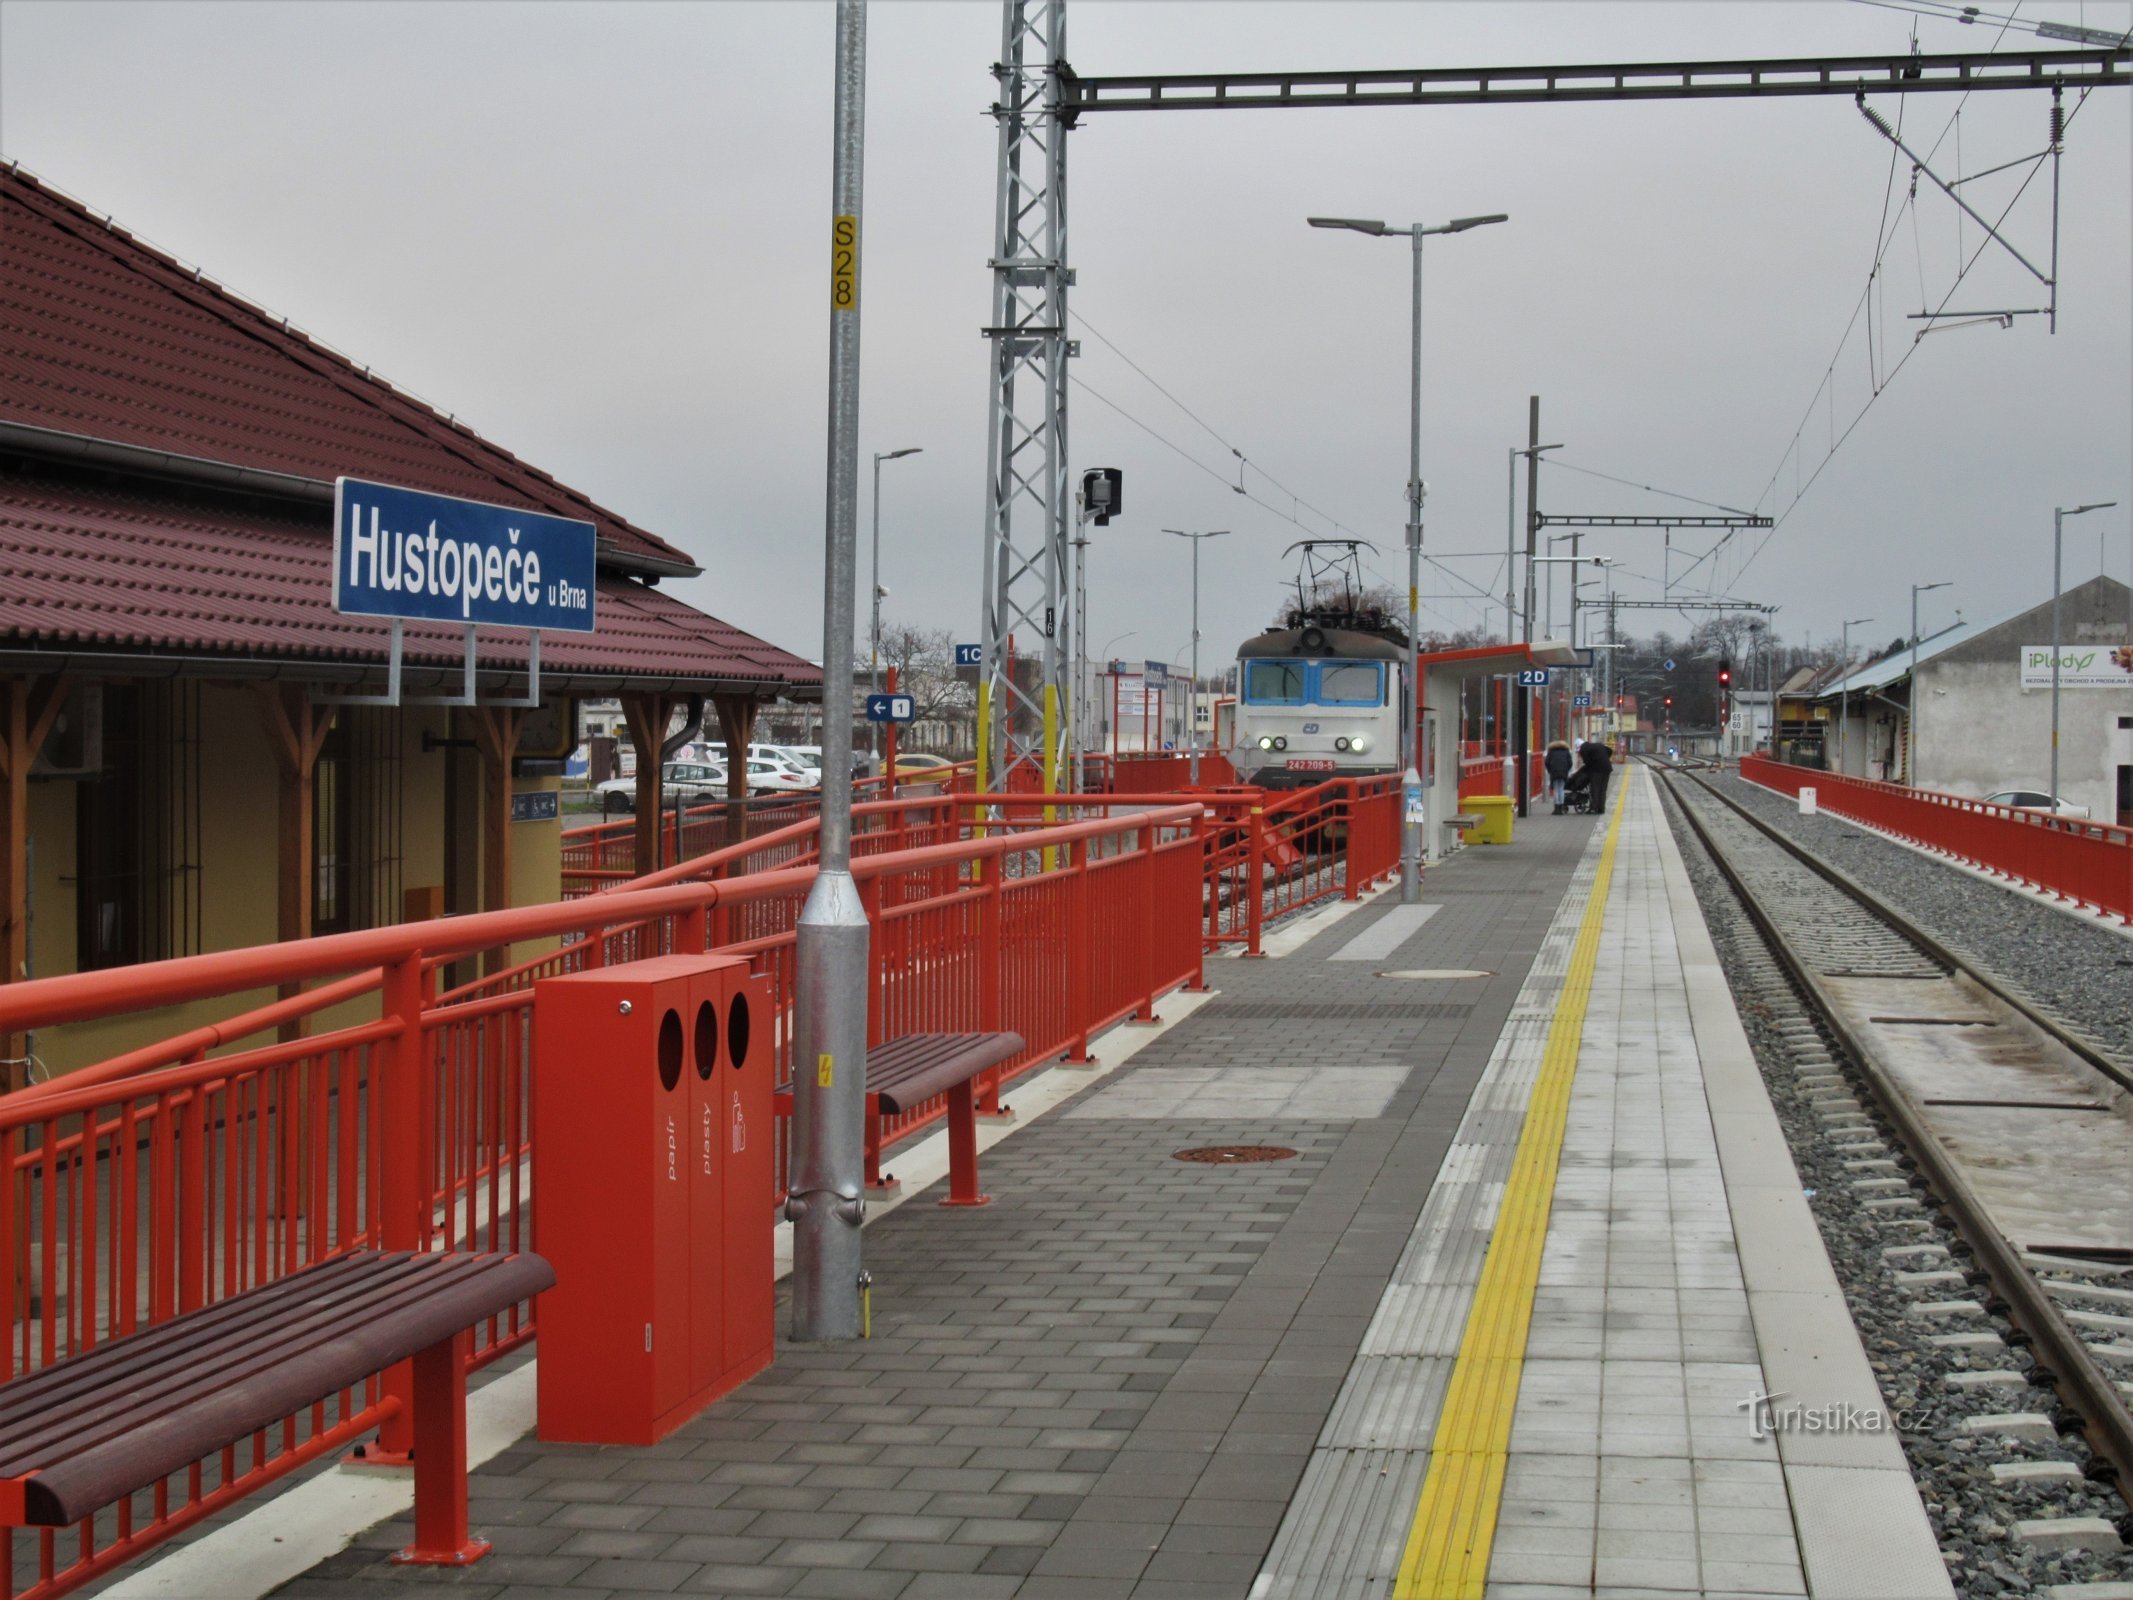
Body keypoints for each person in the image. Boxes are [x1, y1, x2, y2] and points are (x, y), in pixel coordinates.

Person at [1577, 736, 1615, 815]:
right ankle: (1601, 808)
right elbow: (1609, 750)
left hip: (1596, 771)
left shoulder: (1583, 749)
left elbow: (1587, 763)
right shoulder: (1597, 745)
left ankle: (1593, 808)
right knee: (1603, 789)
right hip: (1607, 768)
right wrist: (1604, 759)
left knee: (1595, 789)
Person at [1544, 740, 1574, 813]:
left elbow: (1547, 762)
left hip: (1554, 772)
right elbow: (1570, 763)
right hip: (1563, 772)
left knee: (1556, 790)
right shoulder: (1566, 752)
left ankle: (1556, 808)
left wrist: (1549, 770)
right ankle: (1561, 807)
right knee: (1561, 789)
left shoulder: (1551, 752)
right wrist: (1567, 770)